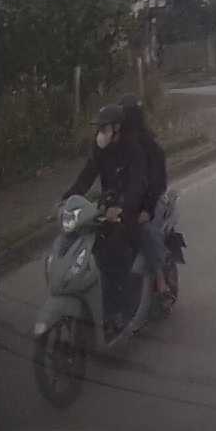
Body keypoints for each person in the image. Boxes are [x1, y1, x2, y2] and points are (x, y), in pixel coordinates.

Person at [63, 104, 147, 333]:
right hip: (107, 208)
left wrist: (122, 208)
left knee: (114, 251)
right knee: (87, 246)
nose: (99, 133)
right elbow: (86, 176)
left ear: (117, 128)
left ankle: (120, 310)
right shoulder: (100, 149)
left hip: (131, 209)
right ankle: (96, 301)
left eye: (104, 128)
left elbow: (138, 185)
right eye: (98, 128)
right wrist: (66, 199)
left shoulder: (133, 150)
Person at [118, 94, 167, 288]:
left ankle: (160, 275)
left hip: (152, 200)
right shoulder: (119, 144)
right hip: (129, 200)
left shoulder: (149, 144)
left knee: (146, 229)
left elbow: (157, 181)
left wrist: (147, 208)